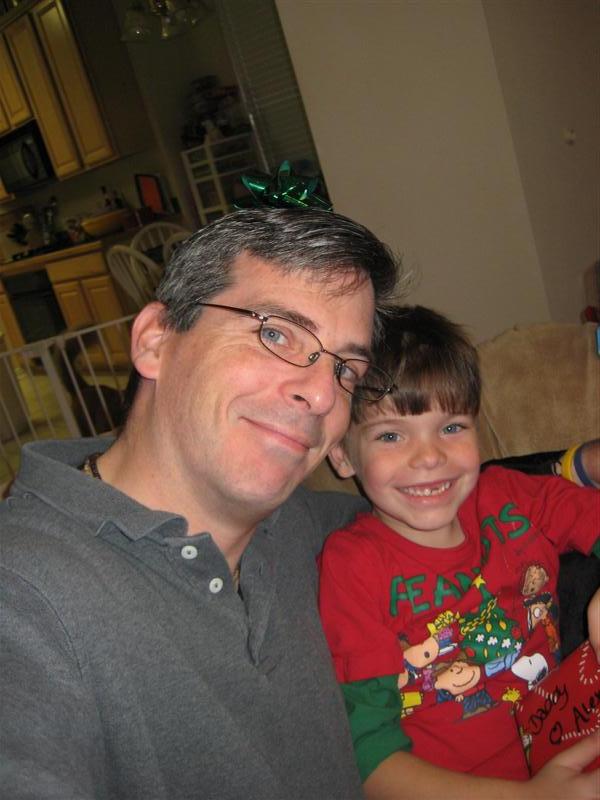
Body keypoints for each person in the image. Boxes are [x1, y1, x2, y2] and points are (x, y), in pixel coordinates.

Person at [1, 208, 400, 800]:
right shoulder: (23, 601)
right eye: (276, 333)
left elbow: (430, 506)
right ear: (155, 340)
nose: (321, 394)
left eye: (346, 368)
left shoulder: (298, 526)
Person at [318, 305, 600, 800]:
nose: (430, 456)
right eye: (391, 435)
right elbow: (370, 759)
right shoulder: (352, 567)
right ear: (342, 455)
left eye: (451, 427)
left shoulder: (509, 497)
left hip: (571, 739)